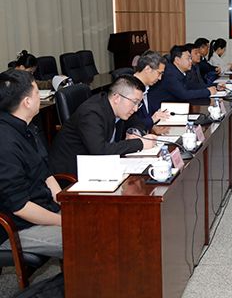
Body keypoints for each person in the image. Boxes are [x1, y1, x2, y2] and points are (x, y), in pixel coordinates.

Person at [0, 69, 62, 258]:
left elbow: (46, 172)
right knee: (88, 237)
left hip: (44, 209)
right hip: (18, 226)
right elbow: (20, 207)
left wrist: (66, 204)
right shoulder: (5, 143)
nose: (40, 97)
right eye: (37, 92)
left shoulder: (27, 127)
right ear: (27, 102)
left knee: (97, 221)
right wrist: (62, 220)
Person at [49, 75, 157, 176]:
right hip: (73, 175)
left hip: (99, 167)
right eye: (134, 102)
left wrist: (134, 131)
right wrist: (139, 143)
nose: (136, 108)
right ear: (117, 98)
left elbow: (137, 122)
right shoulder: (91, 113)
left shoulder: (118, 108)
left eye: (139, 104)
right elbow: (100, 151)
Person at [147, 45, 217, 114]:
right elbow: (184, 94)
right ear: (177, 60)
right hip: (159, 111)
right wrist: (207, 92)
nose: (191, 61)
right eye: (188, 58)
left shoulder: (179, 72)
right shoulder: (170, 74)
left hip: (173, 107)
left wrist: (214, 86)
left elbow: (191, 85)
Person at [131, 50, 169, 131]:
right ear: (147, 69)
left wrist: (152, 127)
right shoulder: (130, 88)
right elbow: (131, 124)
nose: (160, 78)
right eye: (159, 73)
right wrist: (152, 120)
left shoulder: (147, 87)